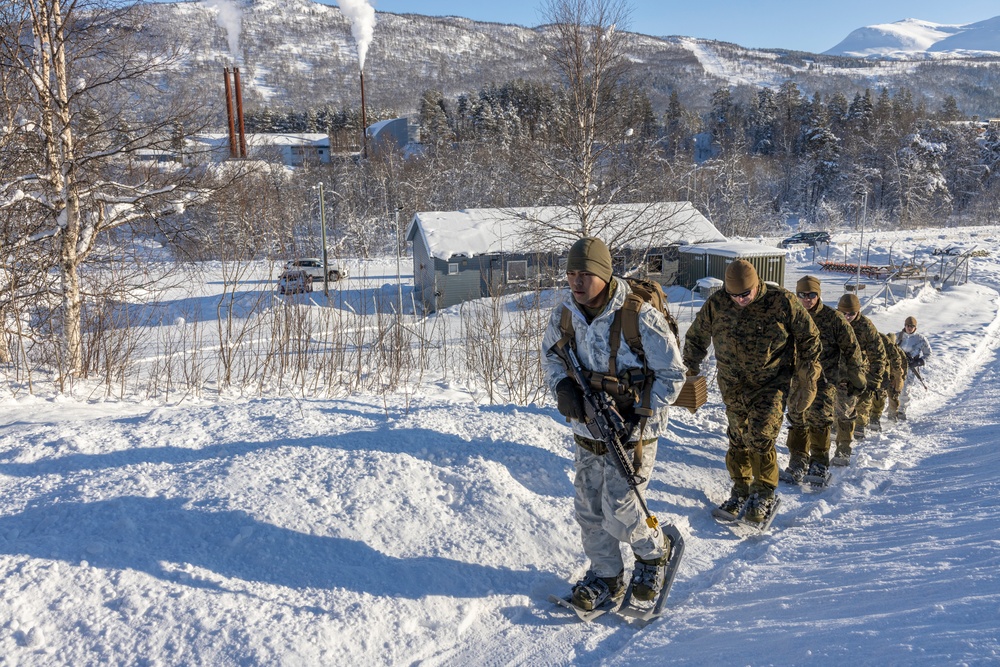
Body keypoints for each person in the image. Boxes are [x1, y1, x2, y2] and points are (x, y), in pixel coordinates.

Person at [541, 237, 687, 611]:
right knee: (589, 510)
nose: (576, 281)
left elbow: (672, 374)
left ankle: (655, 554)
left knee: (622, 508)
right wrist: (562, 388)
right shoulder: (564, 315)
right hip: (588, 427)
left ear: (604, 274)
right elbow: (551, 359)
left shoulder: (638, 316)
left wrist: (640, 417)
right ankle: (607, 574)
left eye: (585, 274)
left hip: (635, 432)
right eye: (571, 273)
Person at [683, 260, 821, 522]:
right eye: (734, 295)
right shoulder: (718, 304)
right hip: (732, 384)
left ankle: (763, 493)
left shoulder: (782, 302)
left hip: (770, 383)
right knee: (738, 436)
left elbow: (809, 337)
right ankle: (741, 489)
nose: (740, 300)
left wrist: (807, 375)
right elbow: (696, 337)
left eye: (745, 294)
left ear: (756, 284)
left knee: (760, 436)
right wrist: (689, 368)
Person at [783, 276, 866, 482]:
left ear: (818, 295)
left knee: (820, 419)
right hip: (797, 379)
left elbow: (851, 348)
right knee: (796, 418)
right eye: (802, 295)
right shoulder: (789, 316)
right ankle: (798, 460)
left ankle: (819, 463)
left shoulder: (833, 318)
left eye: (811, 295)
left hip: (825, 379)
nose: (807, 299)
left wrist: (857, 376)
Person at [833, 294, 886, 462]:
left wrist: (872, 382)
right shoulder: (831, 321)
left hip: (852, 376)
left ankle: (843, 448)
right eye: (844, 313)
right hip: (829, 372)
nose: (847, 317)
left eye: (851, 314)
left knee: (846, 412)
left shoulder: (865, 327)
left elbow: (878, 356)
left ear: (858, 312)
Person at [896, 316, 932, 421]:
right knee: (894, 389)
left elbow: (928, 354)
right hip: (897, 367)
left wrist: (918, 362)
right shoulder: (897, 337)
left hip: (911, 369)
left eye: (912, 326)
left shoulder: (921, 339)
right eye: (908, 325)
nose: (909, 328)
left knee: (905, 389)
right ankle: (893, 409)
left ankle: (902, 410)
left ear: (915, 328)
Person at [872, 331, 906, 426]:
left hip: (894, 379)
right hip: (883, 378)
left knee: (893, 397)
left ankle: (892, 414)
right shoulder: (880, 350)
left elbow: (903, 367)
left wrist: (901, 379)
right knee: (878, 397)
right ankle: (874, 417)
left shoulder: (898, 353)